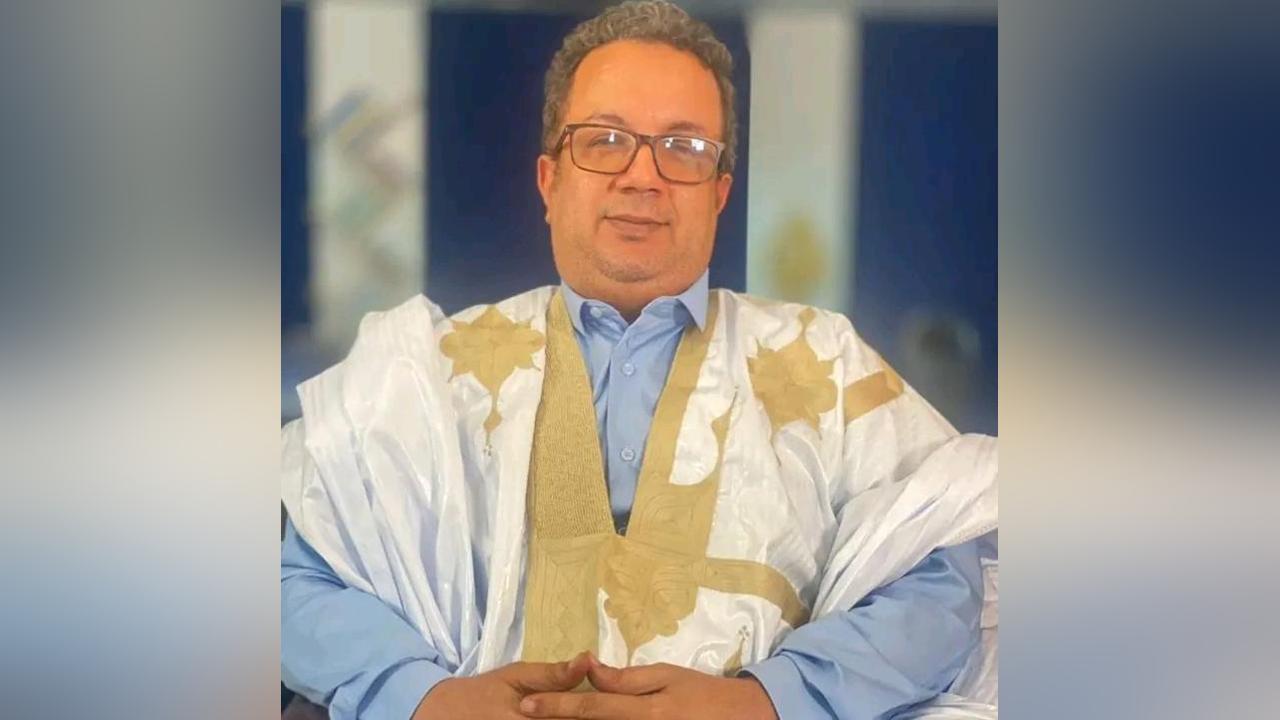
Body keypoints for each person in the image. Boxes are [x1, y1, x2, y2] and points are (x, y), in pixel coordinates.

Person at [280, 2, 998, 719]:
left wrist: (769, 702)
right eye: (605, 140)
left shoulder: (824, 363)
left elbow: (939, 579)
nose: (642, 176)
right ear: (549, 181)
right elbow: (301, 578)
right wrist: (422, 698)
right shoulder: (431, 374)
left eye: (683, 148)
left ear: (719, 194)